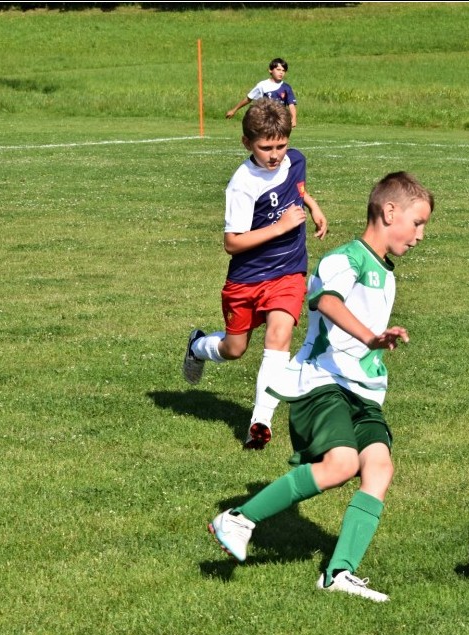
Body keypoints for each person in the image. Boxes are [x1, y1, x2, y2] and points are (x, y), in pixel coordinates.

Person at [208, 172, 434, 603]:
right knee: (342, 462)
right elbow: (326, 301)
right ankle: (239, 519)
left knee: (379, 468)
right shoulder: (344, 259)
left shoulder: (385, 271)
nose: (421, 235)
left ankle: (338, 574)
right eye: (417, 222)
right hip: (322, 384)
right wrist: (371, 336)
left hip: (363, 393)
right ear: (390, 212)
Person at [183, 98, 327, 449]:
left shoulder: (296, 160)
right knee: (234, 349)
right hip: (247, 279)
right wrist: (279, 227)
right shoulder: (242, 184)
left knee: (279, 335)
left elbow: (298, 188)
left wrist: (314, 207)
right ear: (247, 143)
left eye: (281, 145)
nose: (275, 154)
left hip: (288, 272)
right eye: (266, 148)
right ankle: (198, 346)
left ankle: (259, 423)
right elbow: (232, 243)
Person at [225, 58, 298, 128]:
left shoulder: (286, 87)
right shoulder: (262, 85)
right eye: (278, 69)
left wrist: (294, 118)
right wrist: (234, 110)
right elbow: (248, 98)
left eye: (283, 70)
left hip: (280, 120)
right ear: (270, 70)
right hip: (265, 120)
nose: (281, 72)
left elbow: (291, 105)